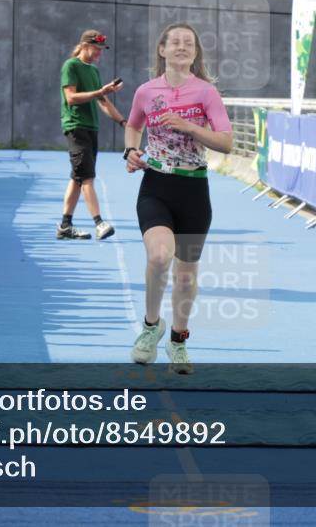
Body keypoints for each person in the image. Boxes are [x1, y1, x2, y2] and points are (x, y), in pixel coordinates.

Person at [123, 23, 232, 374]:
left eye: (189, 43)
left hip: (194, 189)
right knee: (158, 256)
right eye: (176, 42)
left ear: (195, 53)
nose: (182, 47)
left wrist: (190, 127)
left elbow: (226, 143)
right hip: (156, 185)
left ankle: (178, 340)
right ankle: (151, 327)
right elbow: (133, 124)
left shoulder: (206, 93)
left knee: (185, 278)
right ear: (162, 50)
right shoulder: (145, 91)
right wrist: (130, 150)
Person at [58, 29, 124, 241]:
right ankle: (99, 223)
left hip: (91, 128)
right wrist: (99, 92)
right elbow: (71, 97)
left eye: (102, 50)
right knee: (87, 177)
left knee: (78, 178)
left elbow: (103, 102)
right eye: (97, 48)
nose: (100, 53)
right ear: (85, 46)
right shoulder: (71, 66)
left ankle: (65, 225)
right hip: (76, 126)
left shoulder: (93, 71)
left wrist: (123, 122)